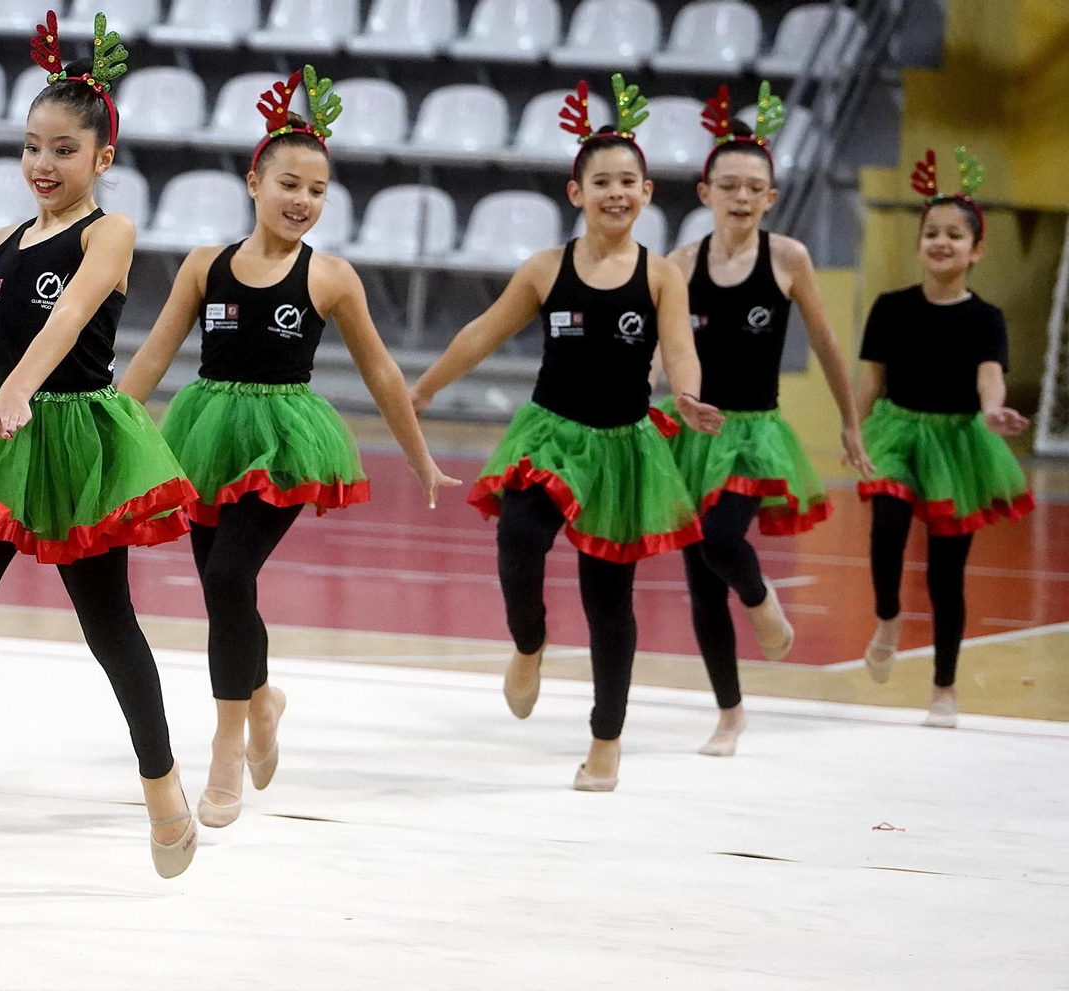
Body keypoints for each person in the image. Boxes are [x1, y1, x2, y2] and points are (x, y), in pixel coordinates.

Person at [0, 10, 199, 881]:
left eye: (63, 150)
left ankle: (164, 786)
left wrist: (20, 389)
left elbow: (69, 316)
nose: (43, 166)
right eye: (31, 147)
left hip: (75, 441)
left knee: (109, 624)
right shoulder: (0, 241)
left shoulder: (112, 233)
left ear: (101, 159)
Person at [119, 65, 458, 828]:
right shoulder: (205, 265)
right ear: (254, 182)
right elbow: (151, 356)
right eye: (289, 185)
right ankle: (263, 696)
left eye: (317, 190)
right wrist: (113, 426)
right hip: (205, 432)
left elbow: (379, 370)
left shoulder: (331, 277)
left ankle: (227, 743)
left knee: (234, 573)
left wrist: (418, 454)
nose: (302, 201)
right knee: (221, 591)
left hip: (283, 442)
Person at [412, 75, 722, 792]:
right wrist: (425, 387)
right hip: (551, 432)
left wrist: (693, 396)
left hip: (622, 445)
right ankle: (528, 641)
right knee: (518, 536)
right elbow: (482, 332)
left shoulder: (662, 276)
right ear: (576, 192)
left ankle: (605, 739)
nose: (617, 191)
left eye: (629, 181)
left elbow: (679, 350)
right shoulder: (546, 269)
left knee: (608, 597)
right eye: (602, 180)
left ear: (647, 193)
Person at [658, 82, 875, 757]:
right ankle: (729, 711)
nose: (743, 197)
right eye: (730, 186)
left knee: (724, 540)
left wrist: (849, 422)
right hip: (693, 432)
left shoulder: (788, 259)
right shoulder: (679, 264)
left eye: (756, 187)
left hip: (753, 432)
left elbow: (829, 342)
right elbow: (660, 349)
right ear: (706, 192)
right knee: (698, 582)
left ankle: (760, 597)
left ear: (771, 197)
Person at [855, 146, 1034, 727]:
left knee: (944, 573)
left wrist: (993, 414)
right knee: (885, 529)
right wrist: (853, 429)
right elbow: (871, 379)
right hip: (897, 433)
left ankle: (944, 688)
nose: (940, 242)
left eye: (955, 235)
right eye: (931, 232)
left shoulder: (986, 319)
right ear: (919, 243)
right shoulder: (890, 308)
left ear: (976, 249)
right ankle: (887, 618)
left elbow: (989, 376)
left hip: (956, 443)